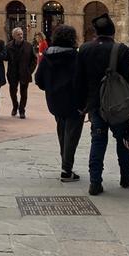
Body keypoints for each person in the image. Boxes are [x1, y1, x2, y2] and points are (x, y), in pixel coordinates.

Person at [74, 14, 129, 196]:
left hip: (95, 106)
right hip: (118, 105)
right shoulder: (121, 50)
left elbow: (79, 80)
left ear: (96, 32)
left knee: (97, 141)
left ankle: (95, 182)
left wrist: (81, 105)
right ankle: (126, 176)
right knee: (123, 141)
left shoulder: (85, 49)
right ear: (113, 31)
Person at [36, 24, 83, 182]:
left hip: (55, 101)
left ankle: (65, 164)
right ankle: (66, 169)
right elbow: (83, 80)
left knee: (62, 132)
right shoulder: (76, 57)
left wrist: (51, 87)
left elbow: (39, 80)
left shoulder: (47, 56)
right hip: (74, 101)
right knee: (72, 135)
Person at [6, 27, 37, 119]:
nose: (20, 36)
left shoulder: (28, 46)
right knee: (12, 91)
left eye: (21, 34)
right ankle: (15, 106)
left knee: (24, 92)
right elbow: (5, 57)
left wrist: (29, 70)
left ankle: (22, 109)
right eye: (18, 34)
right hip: (13, 73)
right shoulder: (8, 46)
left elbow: (34, 59)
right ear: (13, 36)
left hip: (24, 72)